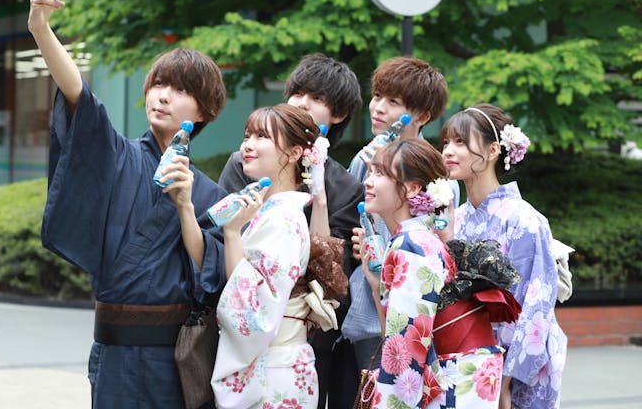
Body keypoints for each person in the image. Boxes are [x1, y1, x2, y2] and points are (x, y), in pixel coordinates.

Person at [29, 0, 228, 408]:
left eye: (179, 90)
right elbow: (80, 95)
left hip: (175, 360)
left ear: (203, 110)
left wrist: (184, 207)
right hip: (115, 354)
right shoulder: (118, 156)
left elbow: (214, 277)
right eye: (158, 84)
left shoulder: (211, 194)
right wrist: (41, 29)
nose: (162, 96)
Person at [217, 53, 364, 408]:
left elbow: (330, 273)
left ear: (339, 114)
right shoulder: (247, 163)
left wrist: (320, 198)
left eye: (316, 98)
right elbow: (220, 237)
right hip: (245, 322)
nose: (301, 102)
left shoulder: (344, 186)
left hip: (298, 332)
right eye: (297, 93)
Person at [358, 137, 510, 408]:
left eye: (380, 173)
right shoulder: (420, 238)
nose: (368, 181)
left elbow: (405, 346)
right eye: (370, 172)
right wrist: (374, 285)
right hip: (462, 370)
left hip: (453, 377)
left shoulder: (411, 245)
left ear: (412, 188)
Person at [439, 103, 567, 408]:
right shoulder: (455, 217)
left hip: (517, 369)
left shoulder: (525, 220)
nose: (448, 151)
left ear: (493, 150)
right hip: (464, 355)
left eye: (460, 142)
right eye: (445, 142)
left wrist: (504, 379)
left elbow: (535, 304)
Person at [343, 56, 459, 373]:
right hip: (370, 306)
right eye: (377, 96)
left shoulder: (438, 171)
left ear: (422, 115)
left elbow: (444, 243)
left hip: (421, 308)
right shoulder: (362, 160)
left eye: (392, 102)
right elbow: (359, 228)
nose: (377, 107)